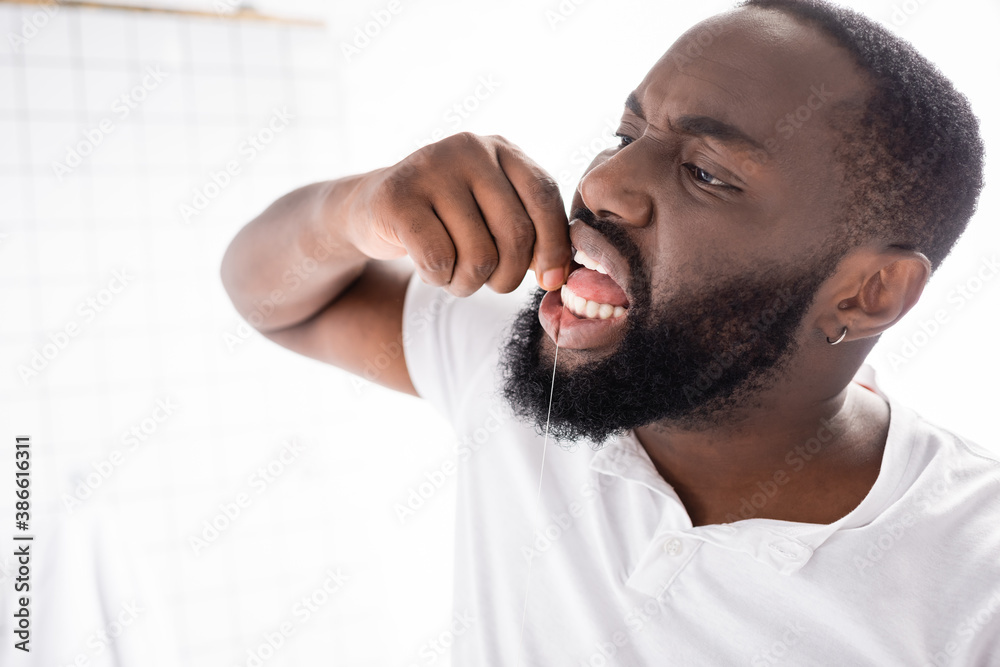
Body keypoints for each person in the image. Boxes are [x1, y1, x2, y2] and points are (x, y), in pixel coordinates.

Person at [221, 0, 999, 663]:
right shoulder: (523, 362)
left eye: (706, 173)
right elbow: (281, 300)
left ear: (867, 293)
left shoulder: (976, 583)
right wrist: (359, 207)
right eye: (627, 137)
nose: (601, 184)